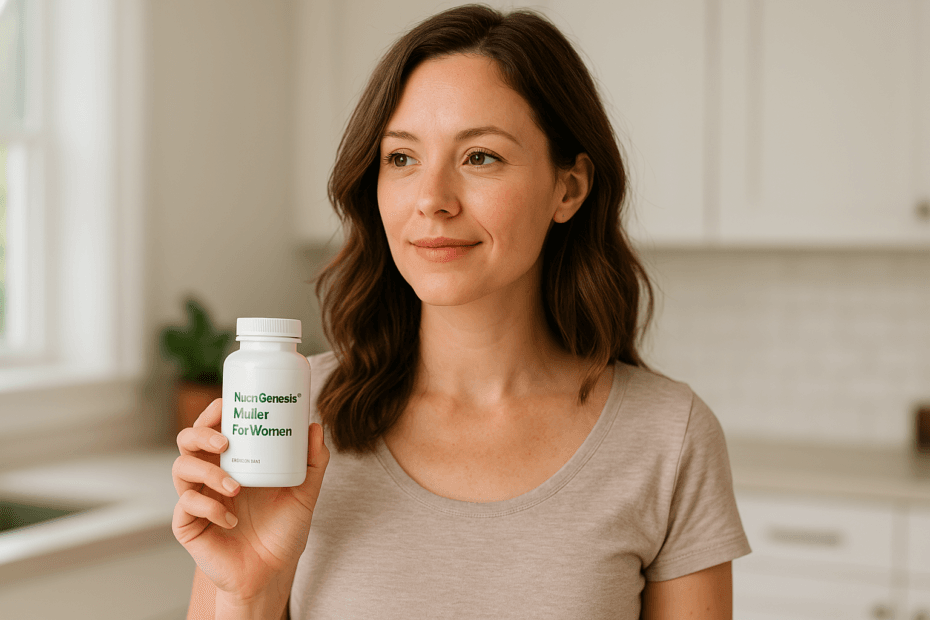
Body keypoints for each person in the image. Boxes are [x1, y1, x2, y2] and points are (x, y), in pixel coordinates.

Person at [171, 5, 751, 619]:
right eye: (401, 158)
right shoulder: (287, 417)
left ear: (569, 188)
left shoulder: (668, 438)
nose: (432, 200)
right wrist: (249, 591)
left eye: (480, 157)